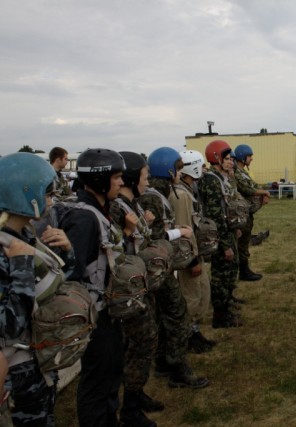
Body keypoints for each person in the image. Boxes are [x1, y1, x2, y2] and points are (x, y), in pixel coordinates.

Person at [0, 153, 71, 426]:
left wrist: (68, 251)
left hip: (37, 361)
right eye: (47, 192)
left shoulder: (25, 236)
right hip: (15, 373)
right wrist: (20, 266)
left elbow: (56, 284)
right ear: (24, 194)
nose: (51, 199)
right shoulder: (8, 250)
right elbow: (7, 325)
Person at [61, 148, 127, 426]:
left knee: (110, 374)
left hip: (106, 312)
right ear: (101, 180)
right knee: (97, 381)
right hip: (95, 316)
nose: (121, 183)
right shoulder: (84, 218)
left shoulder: (99, 211)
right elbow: (71, 273)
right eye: (116, 177)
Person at [139, 147, 209, 390]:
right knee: (176, 314)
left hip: (160, 263)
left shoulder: (159, 193)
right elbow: (153, 234)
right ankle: (177, 367)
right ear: (168, 170)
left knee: (163, 315)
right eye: (177, 170)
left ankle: (163, 362)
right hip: (159, 265)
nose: (179, 175)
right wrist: (180, 232)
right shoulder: (154, 196)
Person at [110, 151, 163, 427]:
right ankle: (129, 408)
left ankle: (136, 392)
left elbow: (145, 234)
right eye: (144, 176)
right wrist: (134, 231)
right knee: (140, 343)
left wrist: (145, 225)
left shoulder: (134, 204)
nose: (148, 180)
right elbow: (116, 247)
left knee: (144, 342)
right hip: (129, 288)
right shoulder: (119, 208)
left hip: (141, 282)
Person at [173, 150, 215, 353]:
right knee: (192, 296)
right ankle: (188, 337)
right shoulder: (182, 196)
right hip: (190, 256)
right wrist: (191, 261)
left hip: (196, 253)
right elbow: (183, 230)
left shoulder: (188, 191)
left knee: (202, 293)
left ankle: (195, 332)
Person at [199, 140, 243, 328]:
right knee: (220, 276)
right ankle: (220, 315)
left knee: (229, 273)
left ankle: (226, 306)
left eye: (231, 159)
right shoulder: (211, 180)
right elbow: (216, 214)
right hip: (219, 237)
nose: (231, 162)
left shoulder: (222, 178)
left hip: (227, 232)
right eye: (227, 158)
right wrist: (225, 245)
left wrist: (235, 227)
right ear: (216, 158)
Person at [233, 144, 271, 281]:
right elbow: (247, 189)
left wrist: (262, 192)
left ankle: (245, 269)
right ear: (243, 157)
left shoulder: (242, 172)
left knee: (244, 242)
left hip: (247, 213)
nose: (252, 159)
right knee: (242, 244)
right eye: (250, 156)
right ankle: (243, 272)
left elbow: (254, 185)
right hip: (241, 214)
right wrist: (264, 192)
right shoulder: (236, 173)